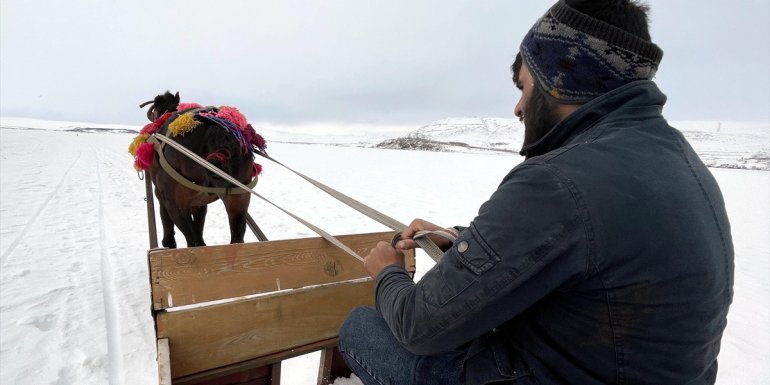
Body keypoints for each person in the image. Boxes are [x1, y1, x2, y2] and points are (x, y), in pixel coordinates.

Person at [338, 0, 734, 384]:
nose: (518, 107)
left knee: (362, 327)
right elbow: (585, 245)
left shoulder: (559, 180)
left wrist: (387, 271)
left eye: (524, 86)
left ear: (560, 81)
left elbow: (418, 327)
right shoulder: (680, 160)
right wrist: (464, 242)